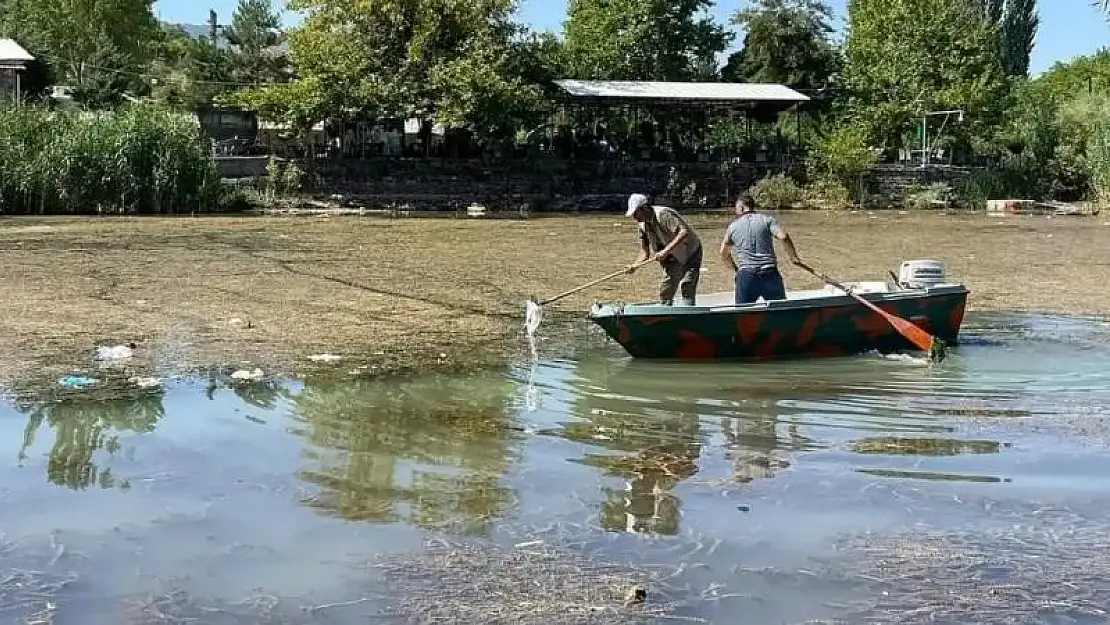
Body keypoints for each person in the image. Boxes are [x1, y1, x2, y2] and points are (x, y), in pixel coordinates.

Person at [719, 193, 804, 305]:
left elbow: (723, 254)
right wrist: (793, 257)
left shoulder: (733, 227)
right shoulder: (767, 220)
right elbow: (783, 236)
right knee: (780, 312)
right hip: (769, 274)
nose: (735, 212)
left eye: (736, 208)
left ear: (741, 207)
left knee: (744, 316)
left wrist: (736, 269)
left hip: (747, 276)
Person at [625, 193, 703, 306]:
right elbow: (644, 252)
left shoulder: (663, 215)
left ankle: (689, 313)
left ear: (645, 208)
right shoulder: (642, 226)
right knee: (666, 290)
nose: (634, 217)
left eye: (636, 213)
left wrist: (665, 251)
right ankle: (664, 314)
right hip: (672, 256)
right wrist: (634, 266)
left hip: (691, 251)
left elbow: (683, 232)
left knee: (687, 285)